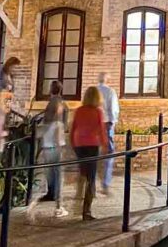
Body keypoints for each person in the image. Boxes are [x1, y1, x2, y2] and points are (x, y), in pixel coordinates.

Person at [27, 83, 69, 219]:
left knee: (50, 175)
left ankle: (35, 203)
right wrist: (59, 143)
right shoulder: (59, 103)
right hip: (55, 144)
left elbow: (46, 125)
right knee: (58, 175)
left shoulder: (50, 104)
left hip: (47, 143)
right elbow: (59, 125)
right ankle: (58, 206)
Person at [70, 86, 108, 221]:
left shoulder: (79, 111)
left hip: (79, 144)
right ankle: (86, 211)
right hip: (92, 145)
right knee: (91, 178)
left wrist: (73, 144)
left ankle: (77, 203)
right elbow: (102, 130)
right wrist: (105, 146)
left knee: (83, 174)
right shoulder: (98, 112)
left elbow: (73, 128)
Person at [96, 72, 119, 195]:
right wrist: (114, 122)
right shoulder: (110, 92)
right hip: (107, 124)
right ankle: (105, 183)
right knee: (109, 154)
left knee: (93, 153)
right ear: (107, 80)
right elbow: (113, 109)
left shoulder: (93, 91)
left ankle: (91, 184)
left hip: (94, 125)